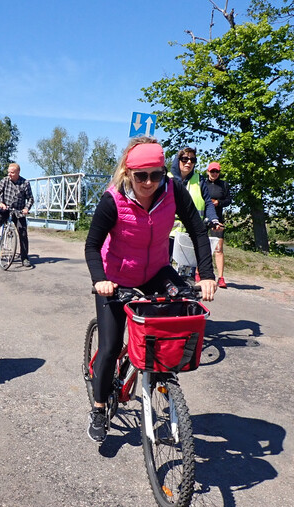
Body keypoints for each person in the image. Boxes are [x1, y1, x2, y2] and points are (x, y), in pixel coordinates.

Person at [84, 137, 217, 443]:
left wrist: (206, 275)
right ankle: (99, 407)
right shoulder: (113, 200)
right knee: (110, 346)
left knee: (181, 307)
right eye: (140, 175)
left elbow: (197, 229)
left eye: (155, 174)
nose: (148, 182)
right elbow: (92, 245)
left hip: (157, 271)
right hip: (117, 277)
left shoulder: (173, 190)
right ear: (128, 173)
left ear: (163, 171)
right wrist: (100, 279)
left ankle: (165, 386)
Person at [168, 146, 222, 279]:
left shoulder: (199, 180)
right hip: (168, 233)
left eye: (192, 160)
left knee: (188, 275)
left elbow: (208, 202)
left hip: (191, 233)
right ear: (178, 159)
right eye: (185, 159)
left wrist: (213, 219)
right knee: (165, 271)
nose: (188, 163)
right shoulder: (167, 179)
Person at [0, 163, 35, 268]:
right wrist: (0, 203)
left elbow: (31, 198)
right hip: (4, 209)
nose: (9, 174)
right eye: (8, 172)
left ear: (18, 172)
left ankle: (25, 258)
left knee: (23, 233)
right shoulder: (5, 180)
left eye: (12, 172)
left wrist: (26, 208)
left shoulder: (25, 183)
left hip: (18, 212)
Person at [201, 162, 232, 288]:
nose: (214, 174)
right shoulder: (202, 183)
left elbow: (229, 200)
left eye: (216, 172)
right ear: (208, 172)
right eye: (212, 171)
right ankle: (198, 273)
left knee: (219, 248)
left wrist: (218, 202)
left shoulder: (223, 184)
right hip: (203, 218)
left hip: (218, 218)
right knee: (201, 246)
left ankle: (221, 277)